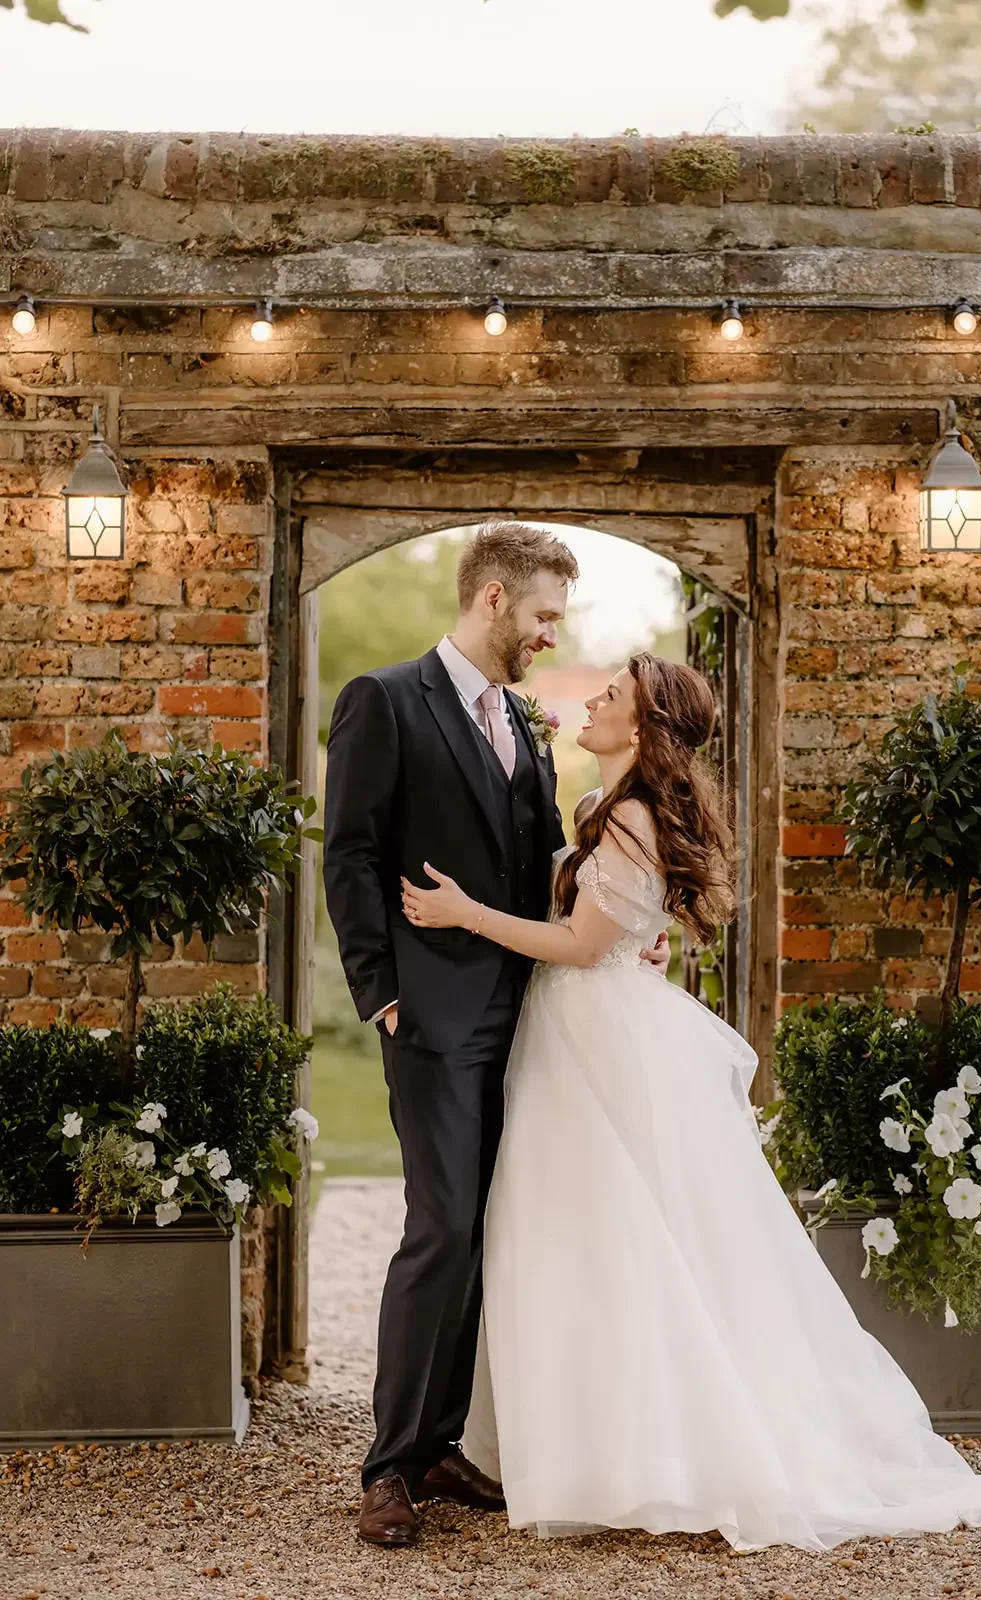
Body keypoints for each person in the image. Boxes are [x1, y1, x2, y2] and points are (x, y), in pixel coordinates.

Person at [401, 651, 981, 1554]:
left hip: (601, 1043)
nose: (590, 701)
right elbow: (621, 926)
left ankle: (659, 1450)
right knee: (581, 1239)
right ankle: (584, 1440)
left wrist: (465, 915)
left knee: (627, 1238)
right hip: (576, 1037)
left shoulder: (630, 816)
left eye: (610, 696)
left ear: (640, 730)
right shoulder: (603, 808)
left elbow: (578, 940)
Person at [323, 521, 667, 1548]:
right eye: (544, 616)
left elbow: (535, 868)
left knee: (489, 1226)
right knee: (440, 1227)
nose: (550, 637)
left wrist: (610, 938)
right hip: (429, 1018)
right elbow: (348, 855)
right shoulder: (383, 702)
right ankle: (387, 1465)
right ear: (493, 602)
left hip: (526, 1019)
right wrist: (380, 994)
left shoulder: (520, 722)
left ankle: (436, 1441)